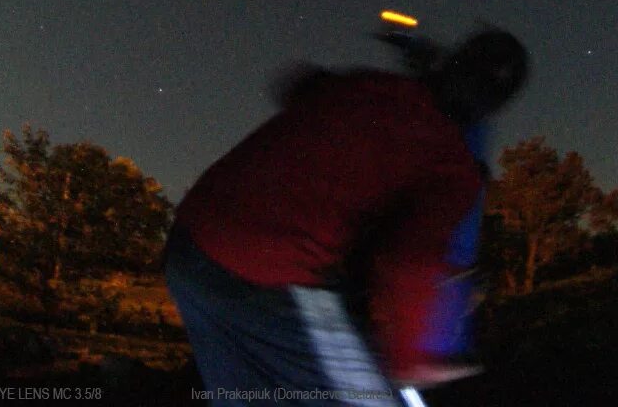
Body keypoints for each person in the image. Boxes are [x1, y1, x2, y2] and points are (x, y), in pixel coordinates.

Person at [166, 27, 529, 398]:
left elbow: (298, 86)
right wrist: (410, 360)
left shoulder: (371, 86)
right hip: (277, 269)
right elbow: (409, 262)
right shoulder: (453, 166)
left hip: (192, 243)